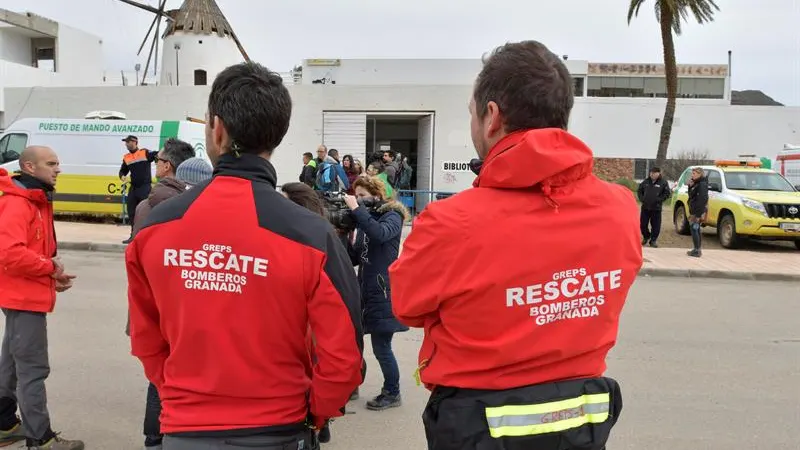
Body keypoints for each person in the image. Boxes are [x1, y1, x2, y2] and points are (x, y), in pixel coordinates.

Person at [389, 40, 643, 450]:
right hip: (580, 422)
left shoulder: (451, 221)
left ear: (492, 117)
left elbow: (407, 304)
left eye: (472, 114)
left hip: (477, 424)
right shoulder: (620, 209)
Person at [125, 62, 364, 450]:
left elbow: (145, 338)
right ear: (277, 136)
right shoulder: (311, 234)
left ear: (216, 128)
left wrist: (181, 399)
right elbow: (344, 358)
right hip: (280, 430)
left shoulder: (155, 228)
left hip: (186, 431)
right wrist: (313, 413)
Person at [0, 146, 84, 450]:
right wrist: (49, 268)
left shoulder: (35, 199)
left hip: (23, 294)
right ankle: (41, 439)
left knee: (10, 362)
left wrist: (50, 275)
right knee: (32, 370)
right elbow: (10, 253)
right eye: (51, 164)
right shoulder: (19, 203)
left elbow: (30, 252)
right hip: (23, 298)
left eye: (58, 163)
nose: (58, 169)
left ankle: (5, 423)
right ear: (29, 167)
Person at [124, 138, 196, 450]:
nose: (156, 166)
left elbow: (138, 258)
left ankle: (155, 439)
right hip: (182, 304)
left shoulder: (148, 205)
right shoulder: (191, 204)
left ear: (167, 165)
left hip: (154, 303)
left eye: (158, 162)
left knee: (159, 376)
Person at [343, 176, 409, 411]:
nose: (358, 200)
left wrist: (357, 211)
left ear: (377, 194)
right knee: (354, 343)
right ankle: (352, 385)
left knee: (382, 347)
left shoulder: (393, 216)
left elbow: (380, 234)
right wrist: (341, 233)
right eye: (356, 196)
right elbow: (355, 257)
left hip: (384, 290)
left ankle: (392, 392)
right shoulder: (364, 220)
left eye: (362, 196)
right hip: (364, 289)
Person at [119, 135, 159, 244]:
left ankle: (146, 236)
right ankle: (133, 236)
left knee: (145, 212)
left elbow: (157, 154)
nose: (126, 144)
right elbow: (122, 171)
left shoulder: (144, 153)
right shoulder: (126, 157)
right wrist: (123, 177)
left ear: (135, 142)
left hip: (144, 187)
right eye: (125, 142)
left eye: (128, 142)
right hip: (134, 188)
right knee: (132, 212)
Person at [637, 167, 672, 248]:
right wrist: (642, 199)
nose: (652, 174)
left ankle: (653, 240)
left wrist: (659, 200)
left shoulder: (663, 182)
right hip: (645, 207)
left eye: (654, 173)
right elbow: (639, 190)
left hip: (656, 208)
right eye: (651, 173)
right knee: (643, 225)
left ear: (658, 173)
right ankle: (646, 236)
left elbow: (667, 193)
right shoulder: (646, 181)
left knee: (656, 225)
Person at [687, 167, 709, 258]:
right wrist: (690, 186)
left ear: (700, 174)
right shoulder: (696, 183)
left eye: (694, 174)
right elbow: (691, 195)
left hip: (697, 211)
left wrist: (699, 214)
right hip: (694, 210)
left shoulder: (702, 184)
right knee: (695, 229)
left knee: (695, 229)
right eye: (692, 174)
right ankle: (696, 249)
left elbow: (703, 199)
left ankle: (697, 250)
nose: (692, 175)